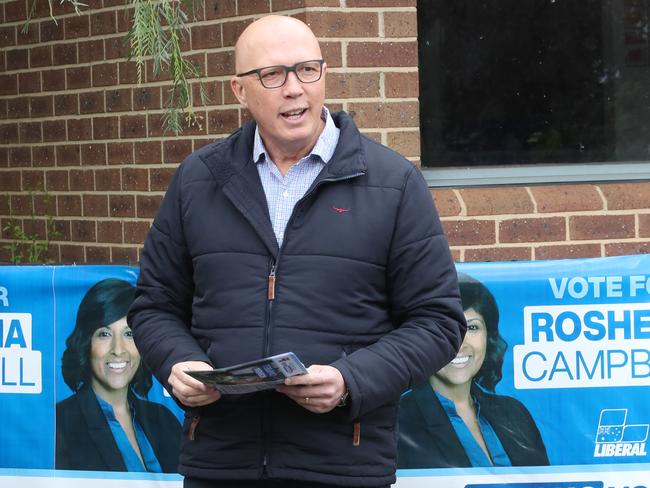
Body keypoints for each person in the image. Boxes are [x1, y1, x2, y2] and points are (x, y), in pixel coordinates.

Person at [128, 14, 466, 488]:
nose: (294, 88)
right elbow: (154, 305)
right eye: (272, 74)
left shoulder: (394, 183)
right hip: (221, 463)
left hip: (342, 465)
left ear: (324, 75)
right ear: (240, 91)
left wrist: (352, 380)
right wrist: (177, 363)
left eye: (308, 69)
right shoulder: (197, 180)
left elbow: (437, 321)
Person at [397, 273, 549, 468]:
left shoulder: (515, 414)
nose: (460, 343)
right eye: (445, 328)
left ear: (489, 337)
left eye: (472, 327)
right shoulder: (399, 422)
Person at [56, 278, 181, 472]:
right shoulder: (61, 423)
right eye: (104, 334)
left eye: (129, 334)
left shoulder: (163, 419)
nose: (118, 350)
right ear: (86, 342)